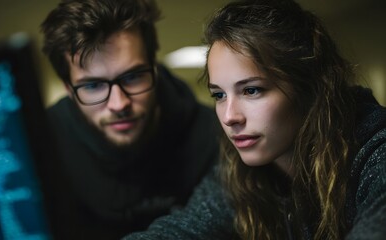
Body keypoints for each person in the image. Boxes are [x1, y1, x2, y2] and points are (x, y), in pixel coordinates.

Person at [123, 0, 386, 239]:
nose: (229, 117)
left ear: (311, 88)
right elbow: (179, 230)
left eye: (251, 90)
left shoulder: (376, 152)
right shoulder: (238, 171)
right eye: (219, 95)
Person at [39, 0, 220, 239]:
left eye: (133, 77)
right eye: (93, 85)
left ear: (154, 68)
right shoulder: (42, 143)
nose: (118, 104)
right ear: (69, 90)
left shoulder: (214, 135)